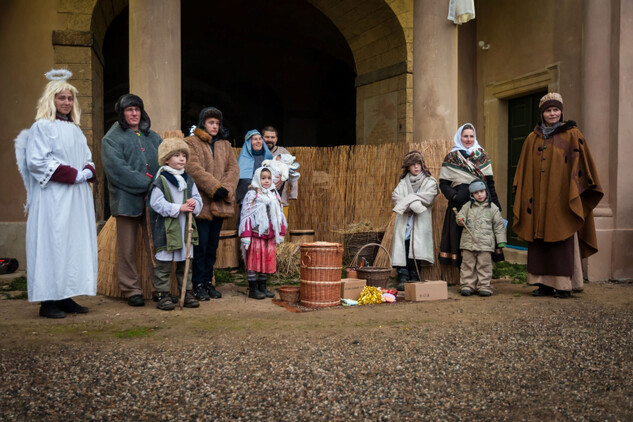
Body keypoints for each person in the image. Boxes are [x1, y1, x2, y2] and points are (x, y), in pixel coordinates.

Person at [15, 69, 97, 318]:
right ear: (51, 100)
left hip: (75, 199)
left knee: (70, 244)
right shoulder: (42, 127)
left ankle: (65, 295)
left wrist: (87, 171)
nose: (66, 103)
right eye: (61, 98)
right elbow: (37, 161)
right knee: (53, 244)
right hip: (53, 198)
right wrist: (73, 175)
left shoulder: (75, 130)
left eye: (70, 99)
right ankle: (47, 300)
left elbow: (87, 158)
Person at [512, 93, 603, 298]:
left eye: (555, 109)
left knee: (562, 237)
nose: (552, 113)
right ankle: (542, 284)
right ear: (542, 113)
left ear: (561, 111)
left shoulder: (572, 134)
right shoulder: (531, 138)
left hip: (561, 199)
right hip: (536, 200)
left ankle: (563, 285)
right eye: (548, 110)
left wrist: (574, 190)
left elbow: (583, 165)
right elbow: (523, 170)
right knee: (539, 240)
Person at [102, 94, 162, 307]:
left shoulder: (153, 137)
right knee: (126, 249)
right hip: (126, 201)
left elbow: (165, 163)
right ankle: (131, 289)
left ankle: (160, 288)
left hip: (154, 202)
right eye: (129, 110)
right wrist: (146, 184)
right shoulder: (111, 139)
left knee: (156, 245)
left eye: (137, 109)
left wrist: (158, 187)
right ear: (122, 113)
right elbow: (117, 170)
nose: (134, 113)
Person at [184, 107, 239, 301]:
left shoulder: (225, 145)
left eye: (217, 123)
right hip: (202, 203)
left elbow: (233, 169)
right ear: (202, 123)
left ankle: (208, 282)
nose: (214, 126)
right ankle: (197, 284)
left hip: (221, 204)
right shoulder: (191, 143)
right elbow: (193, 168)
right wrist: (215, 188)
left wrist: (226, 188)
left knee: (212, 246)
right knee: (200, 246)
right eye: (210, 122)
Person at [148, 138, 203, 310]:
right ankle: (163, 295)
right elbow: (156, 203)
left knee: (184, 262)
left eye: (183, 156)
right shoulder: (161, 181)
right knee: (164, 265)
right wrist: (179, 207)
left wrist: (194, 204)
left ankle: (186, 293)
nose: (181, 159)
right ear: (166, 159)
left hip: (184, 228)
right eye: (176, 155)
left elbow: (197, 198)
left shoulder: (188, 180)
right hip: (167, 229)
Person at [438, 123, 502, 268]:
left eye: (471, 136)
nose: (468, 139)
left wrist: (496, 204)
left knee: (481, 241)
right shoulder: (452, 157)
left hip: (482, 205)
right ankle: (464, 278)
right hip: (459, 207)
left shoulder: (482, 156)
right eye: (465, 136)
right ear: (459, 137)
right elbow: (443, 183)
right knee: (462, 240)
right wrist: (454, 196)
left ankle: (482, 276)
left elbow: (490, 183)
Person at [391, 151, 439, 291]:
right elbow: (396, 197)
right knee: (404, 244)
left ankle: (415, 273)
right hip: (405, 219)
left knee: (416, 244)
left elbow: (428, 198)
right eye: (412, 165)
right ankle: (403, 274)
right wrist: (414, 203)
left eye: (418, 164)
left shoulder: (429, 181)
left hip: (420, 220)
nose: (416, 167)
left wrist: (407, 201)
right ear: (408, 168)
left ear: (422, 165)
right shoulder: (403, 182)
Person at [239, 167, 287, 299]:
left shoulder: (274, 194)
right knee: (253, 261)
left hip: (270, 235)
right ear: (257, 178)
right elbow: (246, 216)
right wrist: (246, 236)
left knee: (266, 260)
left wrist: (281, 232)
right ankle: (253, 288)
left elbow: (280, 215)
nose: (266, 181)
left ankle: (262, 286)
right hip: (256, 235)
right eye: (263, 178)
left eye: (269, 178)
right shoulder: (252, 195)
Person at [456, 180, 507, 297]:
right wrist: (460, 219)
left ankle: (484, 286)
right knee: (467, 265)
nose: (479, 195)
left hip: (485, 245)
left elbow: (499, 225)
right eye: (476, 193)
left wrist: (501, 241)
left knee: (484, 266)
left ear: (486, 192)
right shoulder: (467, 207)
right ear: (472, 195)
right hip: (468, 243)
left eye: (481, 191)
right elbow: (460, 215)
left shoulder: (493, 208)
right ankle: (467, 286)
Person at [262, 126, 298, 217]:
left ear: (276, 139)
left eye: (272, 137)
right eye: (267, 137)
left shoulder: (283, 153)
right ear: (262, 138)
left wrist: (294, 193)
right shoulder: (259, 153)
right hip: (261, 202)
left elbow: (292, 172)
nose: (270, 140)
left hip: (281, 200)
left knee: (280, 229)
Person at [236, 129, 273, 205]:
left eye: (260, 139)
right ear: (249, 143)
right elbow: (243, 181)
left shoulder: (267, 158)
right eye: (255, 139)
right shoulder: (243, 159)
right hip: (249, 201)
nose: (258, 141)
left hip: (266, 200)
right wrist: (255, 189)